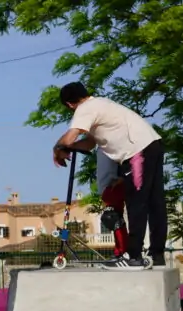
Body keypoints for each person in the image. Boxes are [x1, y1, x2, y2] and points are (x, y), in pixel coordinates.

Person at [53, 82, 167, 270]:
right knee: (155, 201)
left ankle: (134, 256)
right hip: (152, 144)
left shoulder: (85, 108)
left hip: (137, 152)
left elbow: (69, 137)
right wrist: (70, 148)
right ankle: (157, 254)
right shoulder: (99, 104)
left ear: (70, 104)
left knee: (137, 202)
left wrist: (58, 148)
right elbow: (89, 144)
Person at [95, 147, 130, 260]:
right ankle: (121, 250)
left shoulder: (112, 140)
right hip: (106, 186)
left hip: (113, 184)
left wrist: (122, 177)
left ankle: (122, 251)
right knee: (113, 218)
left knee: (113, 218)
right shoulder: (100, 144)